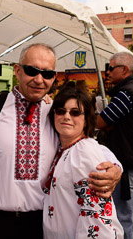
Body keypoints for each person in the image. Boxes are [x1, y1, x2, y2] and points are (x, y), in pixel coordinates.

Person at [0, 43, 122, 239]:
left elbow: (83, 143)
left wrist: (115, 167)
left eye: (47, 74)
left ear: (54, 77)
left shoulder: (56, 112)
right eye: (32, 71)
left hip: (39, 225)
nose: (39, 80)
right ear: (18, 71)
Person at [43, 82, 123, 238]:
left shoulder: (84, 152)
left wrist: (116, 167)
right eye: (61, 111)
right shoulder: (65, 148)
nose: (66, 116)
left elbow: (97, 217)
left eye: (75, 112)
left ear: (86, 119)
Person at [96, 52, 133, 239]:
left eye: (111, 68)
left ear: (124, 69)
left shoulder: (126, 93)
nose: (108, 72)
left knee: (122, 219)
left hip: (128, 165)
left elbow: (101, 121)